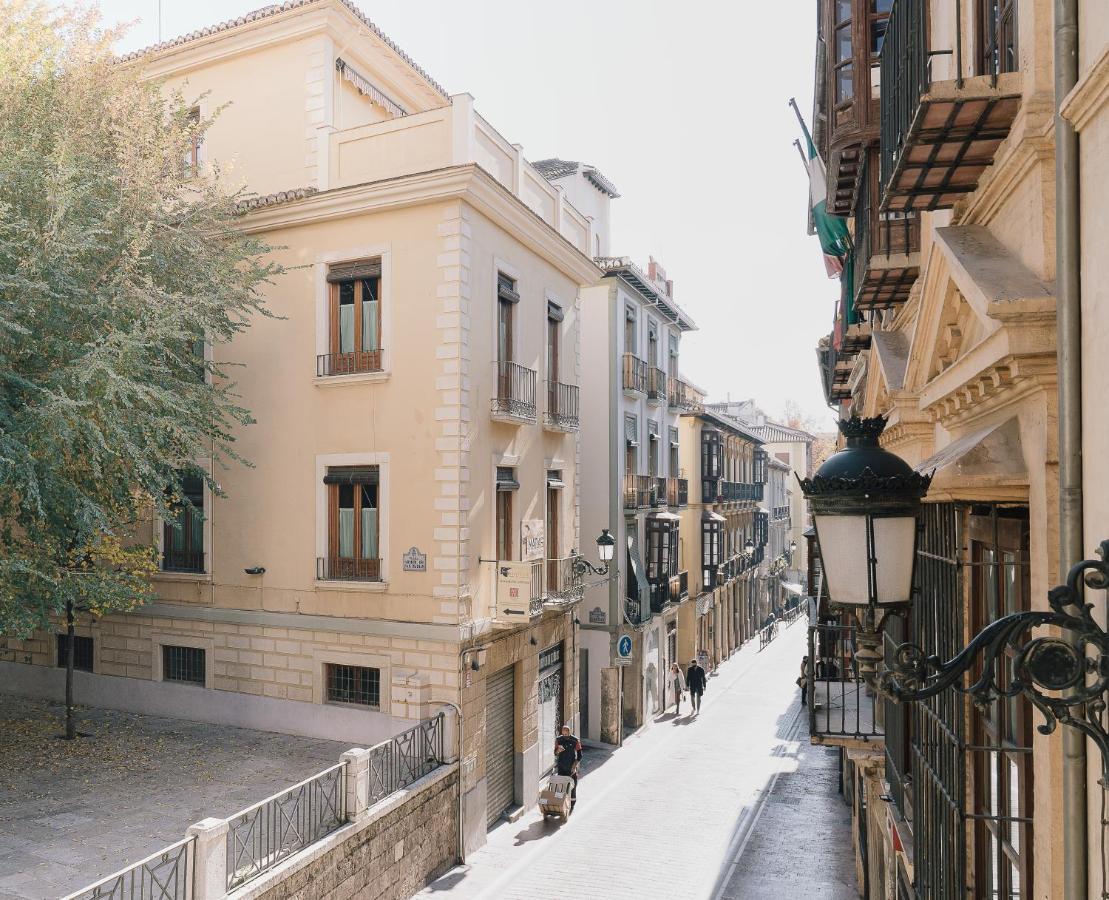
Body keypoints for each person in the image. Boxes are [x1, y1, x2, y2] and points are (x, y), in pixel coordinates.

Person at [554, 724, 582, 807]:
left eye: (566, 733)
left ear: (570, 732)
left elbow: (580, 755)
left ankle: (572, 804)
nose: (565, 735)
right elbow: (555, 753)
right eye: (563, 733)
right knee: (561, 786)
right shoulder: (558, 740)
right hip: (561, 767)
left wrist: (574, 766)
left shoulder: (575, 740)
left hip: (571, 767)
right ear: (562, 732)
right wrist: (557, 751)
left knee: (573, 785)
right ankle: (561, 804)